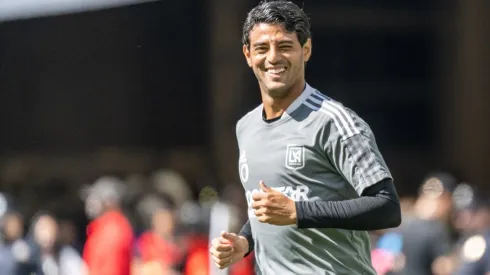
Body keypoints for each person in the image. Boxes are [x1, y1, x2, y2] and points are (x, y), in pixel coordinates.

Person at [209, 1, 402, 274]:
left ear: (306, 50)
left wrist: (298, 212)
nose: (273, 57)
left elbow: (387, 207)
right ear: (248, 55)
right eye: (262, 48)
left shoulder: (333, 121)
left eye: (285, 46)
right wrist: (244, 242)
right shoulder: (246, 127)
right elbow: (268, 209)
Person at [82, 176, 134, 275]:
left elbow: (111, 269)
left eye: (97, 198)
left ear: (110, 201)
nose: (91, 202)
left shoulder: (113, 229)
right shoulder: (104, 227)